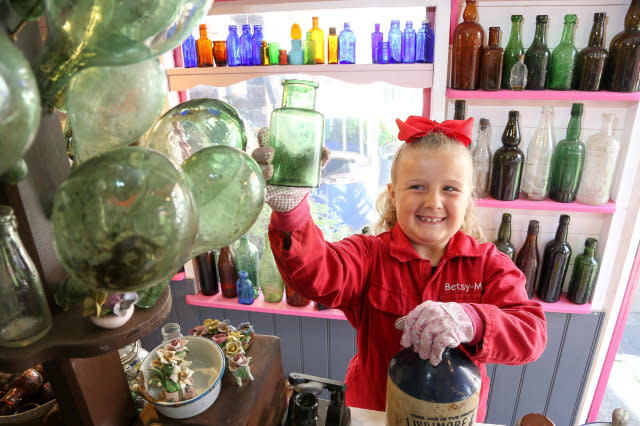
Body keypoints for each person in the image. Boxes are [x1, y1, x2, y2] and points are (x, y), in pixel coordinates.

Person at [252, 116, 547, 422]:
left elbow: (531, 332)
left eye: (450, 189)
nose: (434, 201)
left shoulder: (488, 265)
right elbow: (318, 274)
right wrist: (291, 210)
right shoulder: (370, 255)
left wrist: (472, 320)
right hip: (375, 415)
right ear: (394, 194)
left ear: (469, 198)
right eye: (418, 187)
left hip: (455, 417)